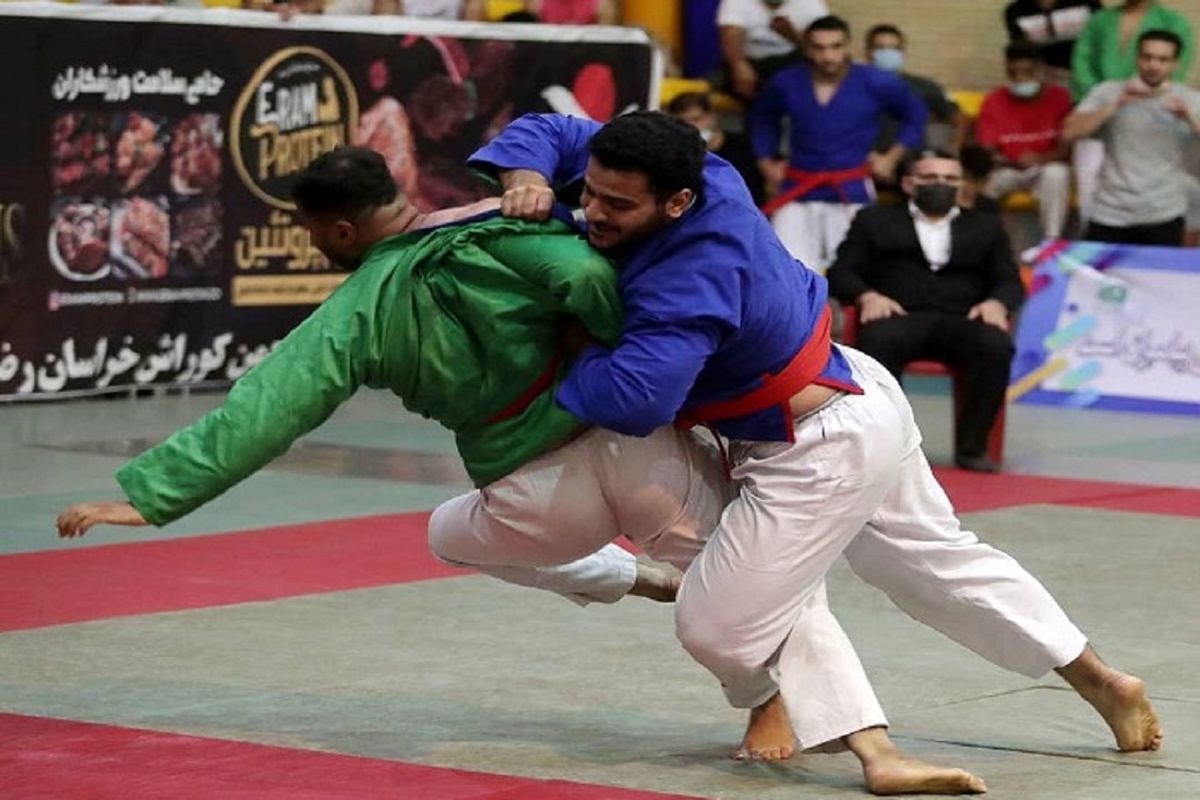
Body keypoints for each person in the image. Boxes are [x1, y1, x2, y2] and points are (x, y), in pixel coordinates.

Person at [57, 145, 977, 795]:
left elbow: (267, 405)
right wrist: (618, 360)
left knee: (449, 534)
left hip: (534, 490)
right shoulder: (513, 230)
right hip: (637, 448)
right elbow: (597, 282)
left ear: (337, 228)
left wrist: (153, 497)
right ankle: (867, 750)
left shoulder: (357, 310)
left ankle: (634, 582)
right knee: (756, 586)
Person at [471, 108, 1164, 792]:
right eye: (591, 191)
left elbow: (636, 402)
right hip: (856, 388)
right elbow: (554, 130)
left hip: (817, 445)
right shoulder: (707, 171)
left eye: (618, 204)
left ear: (678, 202)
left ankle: (840, 731)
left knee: (715, 625)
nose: (594, 210)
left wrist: (573, 354)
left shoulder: (691, 279)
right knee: (935, 563)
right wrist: (527, 176)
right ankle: (1099, 677)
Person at [827, 150, 1021, 474]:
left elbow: (1009, 281)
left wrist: (997, 303)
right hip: (897, 316)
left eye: (949, 178)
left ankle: (972, 448)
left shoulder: (986, 226)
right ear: (908, 183)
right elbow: (842, 272)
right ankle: (884, 447)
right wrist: (867, 296)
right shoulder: (873, 220)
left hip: (962, 319)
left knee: (995, 345)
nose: (940, 184)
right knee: (877, 342)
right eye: (930, 177)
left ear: (961, 184)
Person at [749, 15, 927, 273]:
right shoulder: (787, 81)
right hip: (798, 184)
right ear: (807, 49)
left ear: (848, 46)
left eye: (836, 46)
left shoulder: (876, 81)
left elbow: (916, 116)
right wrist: (766, 162)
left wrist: (891, 157)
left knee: (853, 270)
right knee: (785, 270)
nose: (828, 55)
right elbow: (762, 118)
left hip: (850, 187)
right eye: (819, 48)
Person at [1064, 29, 1200, 245]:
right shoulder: (1108, 91)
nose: (1153, 65)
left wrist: (1189, 118)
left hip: (1164, 212)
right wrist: (1115, 105)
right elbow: (1069, 132)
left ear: (1175, 64)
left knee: (1160, 268)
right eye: (1147, 57)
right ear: (1137, 58)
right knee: (1097, 267)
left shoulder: (1189, 99)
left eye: (1163, 59)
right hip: (1109, 212)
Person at [976, 42, 1073, 241]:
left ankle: (1051, 241)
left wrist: (1041, 158)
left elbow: (1067, 149)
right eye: (1013, 74)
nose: (1020, 79)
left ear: (1041, 70)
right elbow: (986, 148)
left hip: (1044, 168)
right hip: (1007, 169)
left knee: (1057, 174)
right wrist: (997, 158)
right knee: (983, 184)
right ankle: (983, 240)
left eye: (1028, 73)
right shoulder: (994, 100)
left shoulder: (1060, 98)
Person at [864, 23, 968, 155]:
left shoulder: (922, 86)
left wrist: (952, 151)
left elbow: (960, 119)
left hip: (914, 160)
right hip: (863, 158)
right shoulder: (851, 86)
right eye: (881, 48)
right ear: (867, 52)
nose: (888, 54)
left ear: (903, 53)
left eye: (894, 49)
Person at [667, 91, 765, 206]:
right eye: (683, 123)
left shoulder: (744, 147)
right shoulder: (676, 156)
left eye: (697, 119)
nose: (691, 127)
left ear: (712, 116)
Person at [717, 0, 829, 100]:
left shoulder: (812, 3)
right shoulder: (735, 2)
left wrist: (793, 35)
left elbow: (824, 48)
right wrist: (739, 65)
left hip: (789, 59)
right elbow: (730, 32)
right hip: (748, 60)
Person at [1005, 0, 1101, 84]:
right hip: (1047, 79)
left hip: (1092, 76)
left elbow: (1104, 40)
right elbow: (1021, 53)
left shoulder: (1087, 2)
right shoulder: (1015, 11)